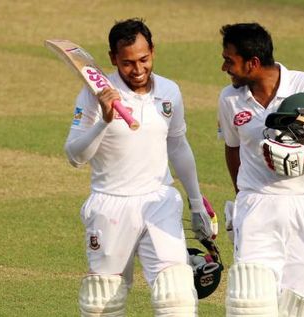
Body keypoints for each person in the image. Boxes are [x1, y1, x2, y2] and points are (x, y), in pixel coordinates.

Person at [64, 18, 216, 317]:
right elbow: (75, 155)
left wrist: (197, 203)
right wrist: (105, 121)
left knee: (177, 298)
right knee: (101, 305)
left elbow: (178, 146)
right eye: (127, 63)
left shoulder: (170, 91)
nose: (137, 70)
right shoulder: (94, 96)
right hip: (111, 205)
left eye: (143, 59)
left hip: (159, 201)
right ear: (112, 59)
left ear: (153, 52)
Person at [217, 23, 304, 317]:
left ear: (252, 63)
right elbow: (232, 147)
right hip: (257, 206)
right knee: (247, 303)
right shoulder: (229, 99)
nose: (224, 67)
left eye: (230, 60)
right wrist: (242, 198)